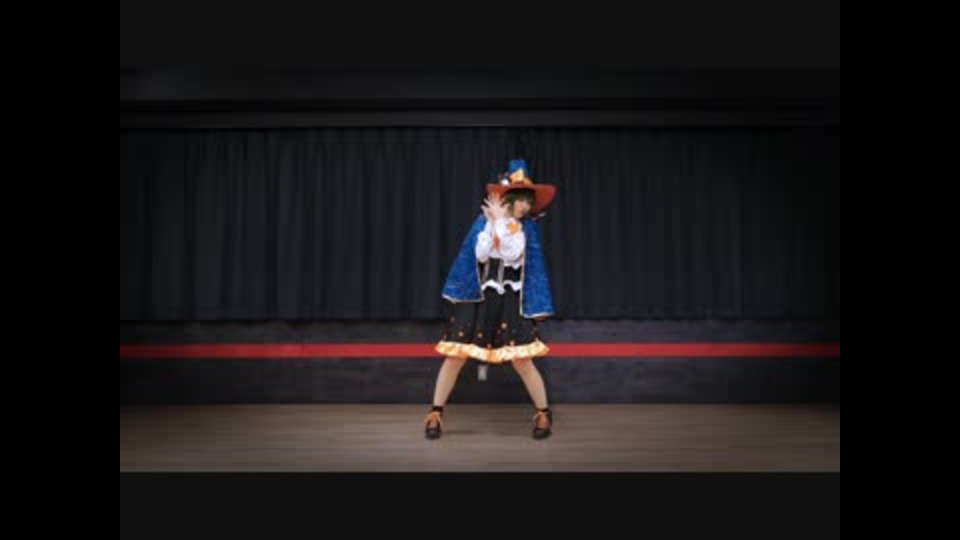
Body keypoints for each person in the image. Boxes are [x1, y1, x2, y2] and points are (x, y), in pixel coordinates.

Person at [425, 159, 557, 440]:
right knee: (455, 357)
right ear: (508, 199)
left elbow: (511, 254)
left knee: (522, 360)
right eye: (521, 200)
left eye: (529, 201)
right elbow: (481, 254)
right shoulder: (484, 223)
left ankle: (543, 413)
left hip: (510, 299)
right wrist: (494, 222)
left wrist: (498, 222)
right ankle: (435, 413)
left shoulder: (523, 229)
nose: (525, 206)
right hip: (479, 298)